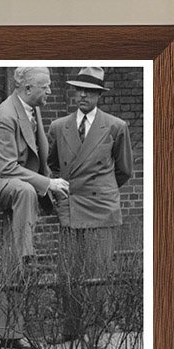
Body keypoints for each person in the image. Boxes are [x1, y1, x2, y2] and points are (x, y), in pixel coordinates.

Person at [0, 66, 69, 266]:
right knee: (26, 191)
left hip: (19, 175)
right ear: (28, 89)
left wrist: (51, 183)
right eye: (45, 87)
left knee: (55, 191)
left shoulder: (32, 107)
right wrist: (48, 183)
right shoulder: (5, 116)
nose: (50, 92)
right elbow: (7, 167)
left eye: (50, 87)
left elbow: (39, 150)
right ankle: (25, 259)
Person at [47, 66, 133, 275]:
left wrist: (101, 187)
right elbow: (52, 164)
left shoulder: (116, 127)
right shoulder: (59, 126)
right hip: (71, 206)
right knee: (69, 275)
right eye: (79, 89)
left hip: (101, 208)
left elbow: (124, 169)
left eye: (90, 90)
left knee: (98, 274)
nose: (83, 95)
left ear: (99, 94)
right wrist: (68, 188)